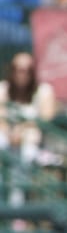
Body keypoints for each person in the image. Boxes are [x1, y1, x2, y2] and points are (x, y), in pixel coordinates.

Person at [0, 52, 57, 205]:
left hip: (33, 144)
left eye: (27, 70)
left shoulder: (44, 91)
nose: (22, 74)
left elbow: (46, 118)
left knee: (24, 157)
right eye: (18, 69)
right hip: (8, 141)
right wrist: (9, 132)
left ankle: (15, 209)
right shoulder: (3, 89)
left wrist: (21, 129)